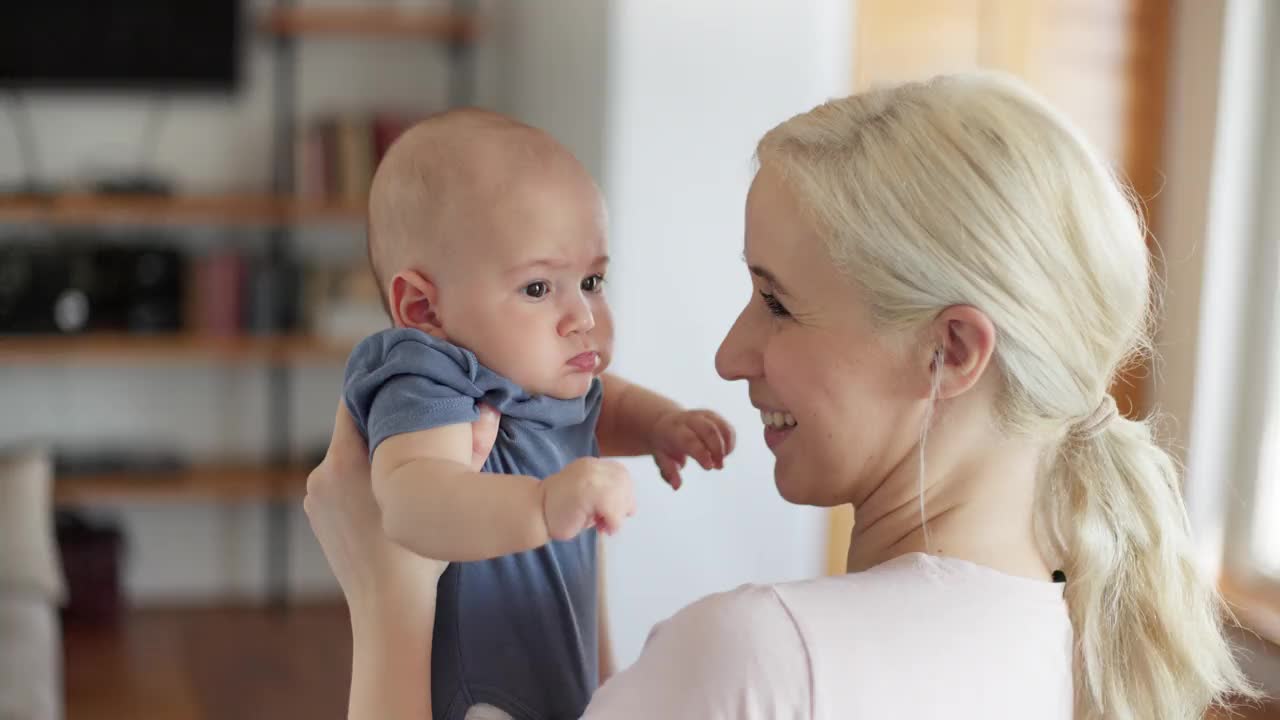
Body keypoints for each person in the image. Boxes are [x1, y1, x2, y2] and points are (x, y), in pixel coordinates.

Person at [307, 73, 1258, 719]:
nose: (726, 354)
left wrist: (389, 604)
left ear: (951, 350)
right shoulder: (1094, 636)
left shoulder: (761, 660)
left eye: (777, 302)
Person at [342, 109, 735, 720]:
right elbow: (414, 498)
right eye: (537, 288)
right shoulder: (430, 374)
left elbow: (604, 402)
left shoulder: (542, 377)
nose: (582, 315)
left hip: (560, 657)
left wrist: (662, 423)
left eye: (593, 279)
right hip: (484, 685)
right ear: (423, 308)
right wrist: (541, 504)